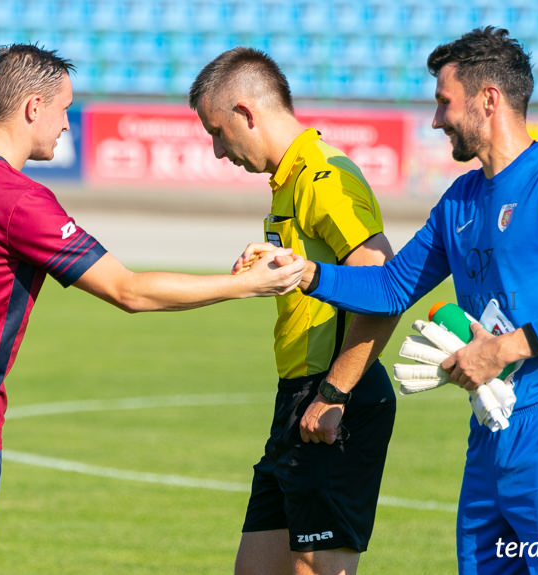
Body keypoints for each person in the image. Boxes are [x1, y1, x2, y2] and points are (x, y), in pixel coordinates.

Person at [0, 43, 303, 575]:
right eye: (63, 110)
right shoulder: (20, 202)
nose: (67, 125)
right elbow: (127, 290)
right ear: (33, 107)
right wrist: (242, 286)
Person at [283, 27, 538, 574]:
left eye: (443, 102)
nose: (435, 120)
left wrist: (502, 350)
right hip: (489, 436)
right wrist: (306, 273)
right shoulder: (460, 200)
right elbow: (390, 288)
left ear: (488, 98)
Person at [189, 47, 400, 575]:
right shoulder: (289, 181)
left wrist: (334, 394)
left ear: (245, 112)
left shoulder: (326, 177)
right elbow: (323, 270)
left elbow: (384, 287)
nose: (218, 151)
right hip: (298, 400)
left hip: (333, 399)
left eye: (217, 132)